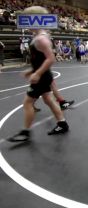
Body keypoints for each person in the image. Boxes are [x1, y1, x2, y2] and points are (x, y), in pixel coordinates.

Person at [7, 6, 69, 142]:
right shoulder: (39, 36)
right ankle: (62, 124)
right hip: (44, 75)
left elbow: (51, 58)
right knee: (48, 100)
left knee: (27, 103)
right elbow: (40, 59)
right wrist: (31, 71)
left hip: (42, 77)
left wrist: (37, 73)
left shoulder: (41, 39)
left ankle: (25, 132)